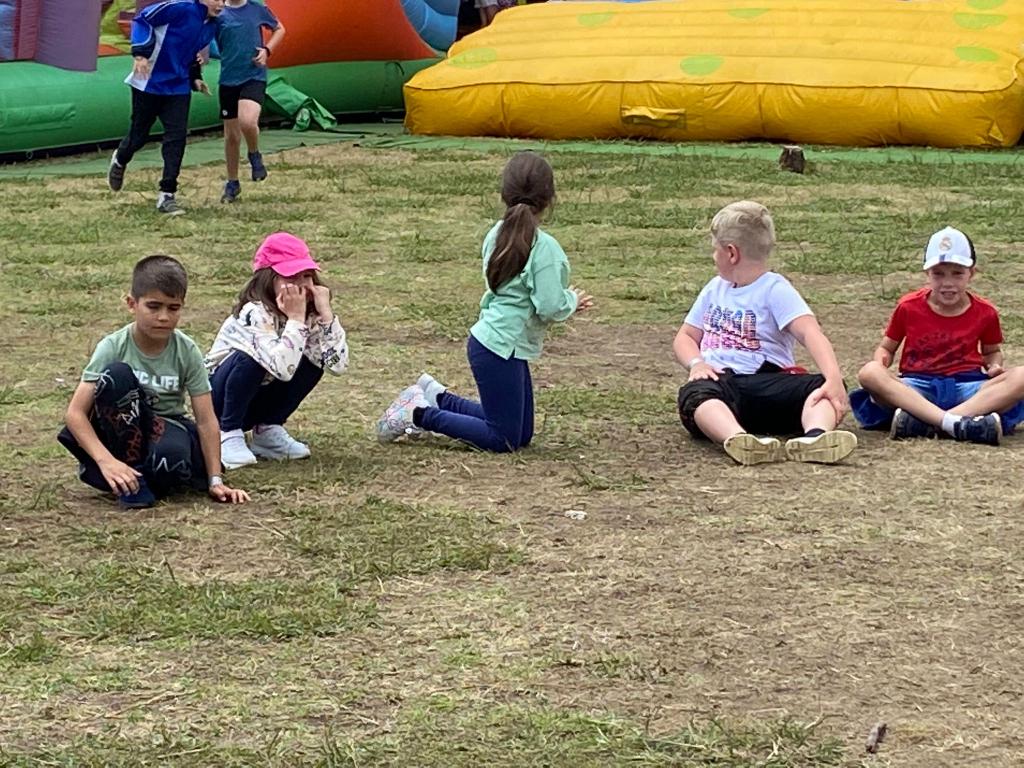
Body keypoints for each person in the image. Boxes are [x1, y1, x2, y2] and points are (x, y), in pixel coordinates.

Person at [376, 151, 593, 453]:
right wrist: (571, 299)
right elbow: (549, 306)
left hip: (495, 343)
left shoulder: (497, 234)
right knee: (503, 439)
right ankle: (417, 414)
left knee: (520, 433)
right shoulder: (545, 248)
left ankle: (436, 396)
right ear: (550, 198)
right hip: (499, 347)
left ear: (505, 194)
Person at [674, 201, 857, 466]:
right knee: (696, 394)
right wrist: (697, 364)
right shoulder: (714, 289)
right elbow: (685, 337)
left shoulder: (775, 289)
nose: (713, 256)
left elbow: (810, 333)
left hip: (768, 383)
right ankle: (737, 439)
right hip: (721, 383)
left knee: (818, 387)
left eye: (715, 249)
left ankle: (815, 437)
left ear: (731, 253)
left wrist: (833, 378)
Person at [59, 256, 248, 509]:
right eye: (153, 306)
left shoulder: (186, 350)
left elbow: (206, 419)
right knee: (116, 375)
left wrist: (215, 480)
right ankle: (127, 475)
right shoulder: (113, 346)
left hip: (164, 425)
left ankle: (132, 477)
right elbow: (75, 414)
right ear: (132, 304)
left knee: (171, 459)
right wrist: (106, 461)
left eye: (173, 308)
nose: (163, 317)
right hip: (120, 429)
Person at [852, 226, 1024, 445]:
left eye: (957, 273)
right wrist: (881, 362)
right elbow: (886, 347)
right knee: (869, 373)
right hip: (917, 386)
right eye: (938, 274)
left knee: (1021, 376)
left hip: (968, 386)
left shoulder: (985, 312)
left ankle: (930, 420)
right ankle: (959, 423)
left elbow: (992, 351)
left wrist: (994, 366)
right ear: (927, 274)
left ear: (971, 273)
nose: (948, 283)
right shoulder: (908, 307)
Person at [205, 232, 349, 469]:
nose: (301, 285)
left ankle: (268, 429)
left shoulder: (309, 314)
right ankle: (227, 432)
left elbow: (337, 365)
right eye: (291, 277)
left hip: (259, 395)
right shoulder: (254, 312)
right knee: (249, 359)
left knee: (315, 360)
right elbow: (280, 368)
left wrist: (326, 315)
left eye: (306, 276)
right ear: (267, 279)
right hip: (218, 402)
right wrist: (295, 320)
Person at [107, 0, 225, 216]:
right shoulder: (180, 8)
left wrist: (195, 77)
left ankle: (167, 194)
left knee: (177, 137)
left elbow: (189, 51)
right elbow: (142, 20)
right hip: (148, 82)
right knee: (138, 136)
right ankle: (120, 158)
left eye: (225, 0)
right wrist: (140, 54)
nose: (221, 4)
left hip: (178, 87)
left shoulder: (212, 24)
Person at [215, 0, 285, 203]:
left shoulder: (257, 8)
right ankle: (232, 182)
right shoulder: (219, 13)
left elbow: (279, 28)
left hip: (254, 76)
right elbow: (202, 37)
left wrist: (267, 50)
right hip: (228, 80)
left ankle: (254, 154)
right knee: (231, 136)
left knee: (247, 121)